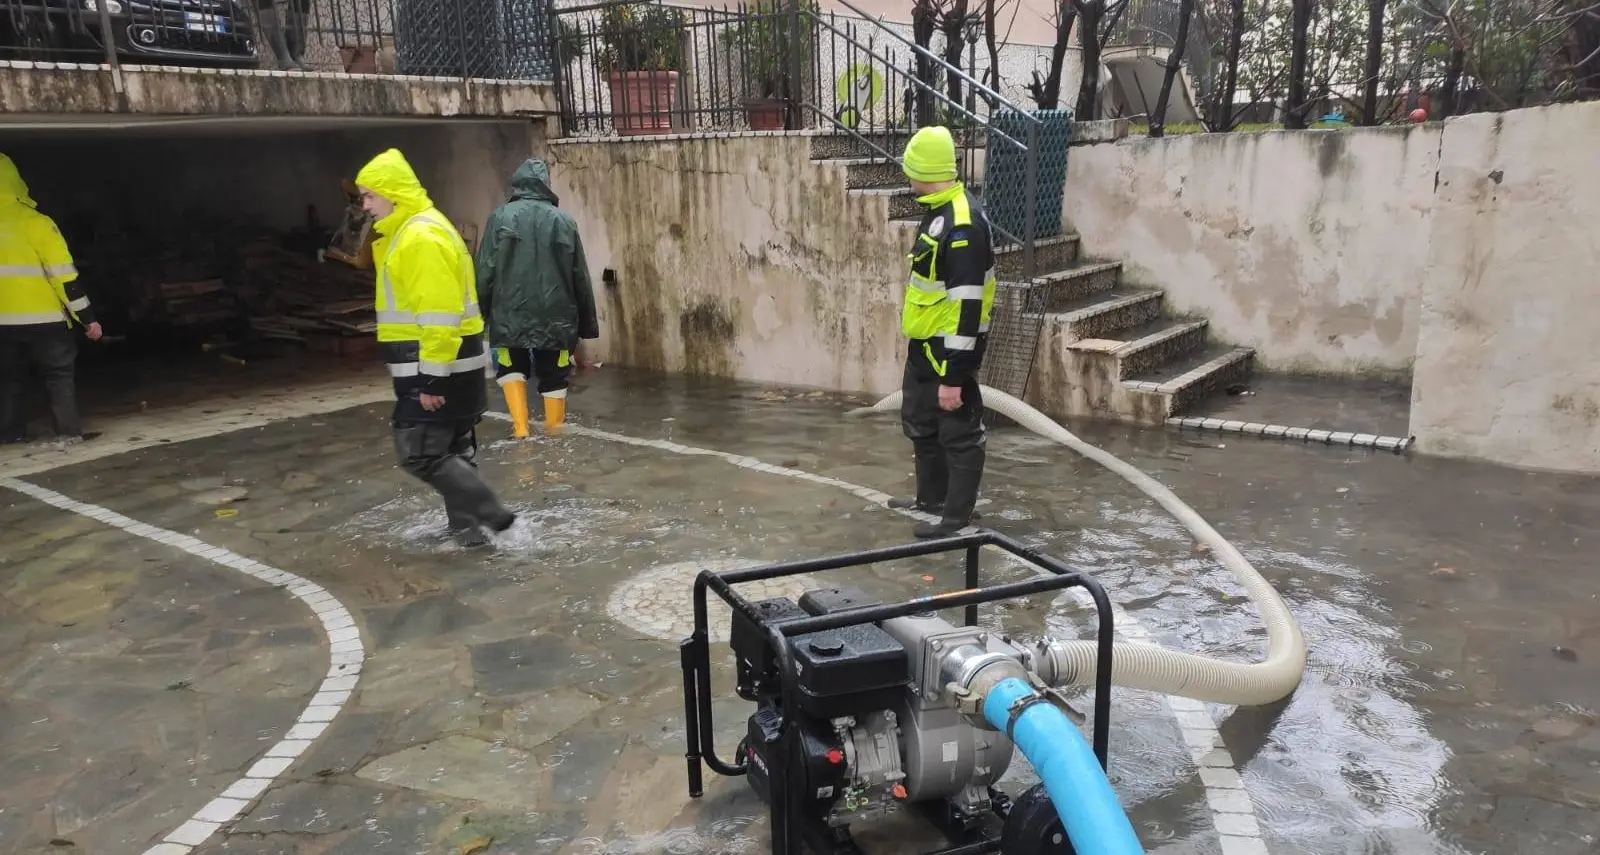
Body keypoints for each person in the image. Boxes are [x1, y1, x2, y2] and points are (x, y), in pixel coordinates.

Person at [355, 148, 517, 548]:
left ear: (393, 193)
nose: (364, 205)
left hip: (435, 367)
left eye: (369, 195)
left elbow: (439, 315)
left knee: (421, 454)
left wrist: (431, 378)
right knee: (453, 450)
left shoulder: (419, 236)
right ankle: (469, 533)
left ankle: (492, 516)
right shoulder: (416, 231)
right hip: (449, 365)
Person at [887, 126, 997, 539]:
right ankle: (930, 500)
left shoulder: (963, 224)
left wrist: (955, 376)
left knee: (959, 433)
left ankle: (956, 518)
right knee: (920, 423)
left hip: (949, 351)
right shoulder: (938, 210)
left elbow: (968, 305)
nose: (908, 176)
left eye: (911, 169)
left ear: (925, 169)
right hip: (924, 345)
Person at [475, 158, 599, 439]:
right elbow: (579, 273)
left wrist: (478, 315)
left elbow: (485, 270)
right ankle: (555, 433)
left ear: (518, 184)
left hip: (508, 313)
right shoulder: (564, 221)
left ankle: (520, 429)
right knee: (554, 375)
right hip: (556, 313)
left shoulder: (499, 217)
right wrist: (586, 325)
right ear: (546, 185)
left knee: (510, 367)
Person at [0, 152, 102, 446]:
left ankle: (8, 433)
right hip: (46, 320)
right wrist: (88, 318)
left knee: (9, 378)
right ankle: (68, 432)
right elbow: (64, 278)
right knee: (58, 376)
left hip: (3, 323)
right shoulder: (37, 224)